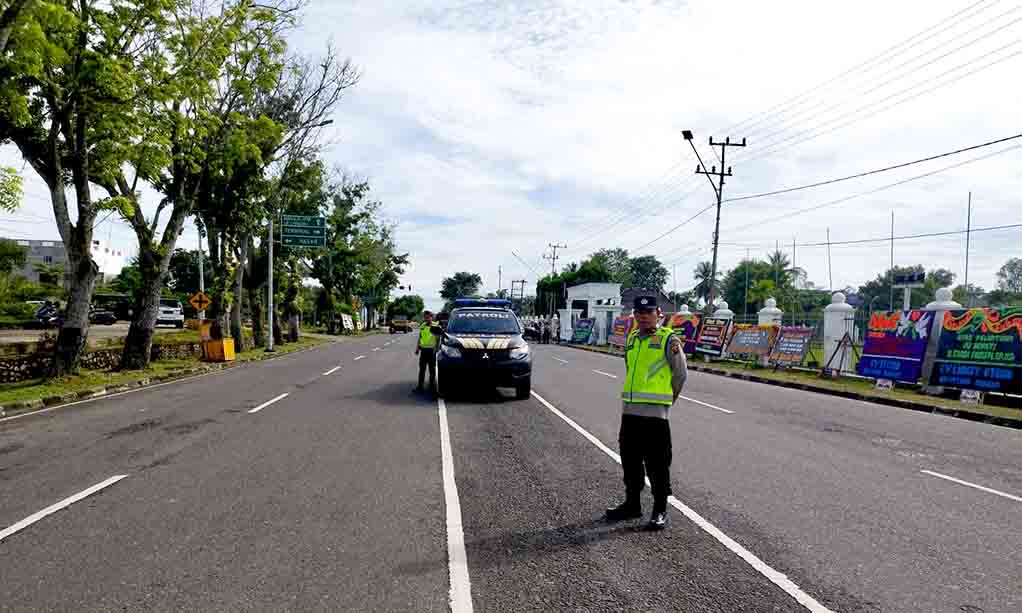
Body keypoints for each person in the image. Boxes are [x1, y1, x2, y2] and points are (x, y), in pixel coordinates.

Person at [605, 295, 687, 531]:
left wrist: (669, 401)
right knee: (630, 462)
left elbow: (680, 374)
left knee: (658, 464)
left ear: (658, 314)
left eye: (647, 313)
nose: (642, 317)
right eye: (639, 314)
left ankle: (660, 510)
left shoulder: (668, 339)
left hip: (655, 417)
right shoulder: (631, 339)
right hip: (630, 413)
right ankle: (632, 505)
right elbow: (630, 369)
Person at [414, 310, 439, 394]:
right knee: (422, 370)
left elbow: (438, 339)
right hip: (423, 351)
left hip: (432, 351)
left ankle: (431, 388)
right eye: (425, 317)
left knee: (432, 370)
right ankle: (420, 387)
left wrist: (436, 349)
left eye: (428, 317)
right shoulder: (423, 325)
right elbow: (420, 337)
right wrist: (417, 348)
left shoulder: (436, 326)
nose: (426, 318)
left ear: (431, 317)